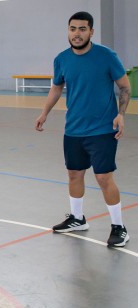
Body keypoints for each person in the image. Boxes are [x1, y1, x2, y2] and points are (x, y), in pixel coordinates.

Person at [35, 11, 132, 247]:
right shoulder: (61, 59)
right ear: (68, 31)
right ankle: (77, 219)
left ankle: (119, 227)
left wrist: (121, 114)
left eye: (82, 29)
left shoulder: (106, 56)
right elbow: (57, 88)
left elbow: (125, 87)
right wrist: (44, 112)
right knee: (74, 174)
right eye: (72, 29)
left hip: (102, 128)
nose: (76, 34)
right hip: (74, 129)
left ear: (91, 32)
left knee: (103, 177)